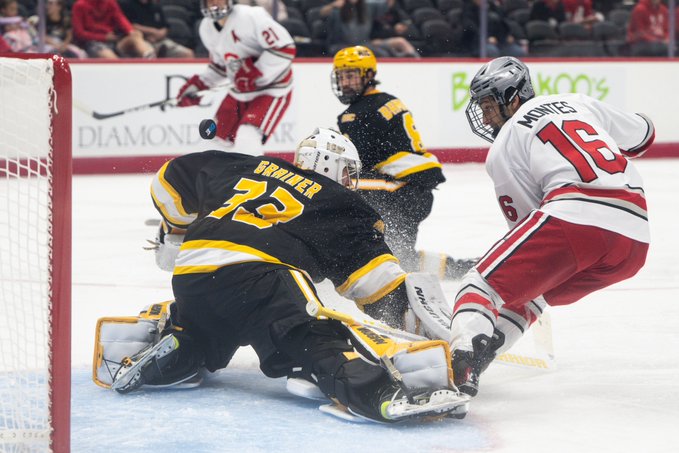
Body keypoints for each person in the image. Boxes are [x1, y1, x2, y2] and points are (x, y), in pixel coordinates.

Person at [97, 128, 469, 423]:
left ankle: (184, 347)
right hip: (258, 277)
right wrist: (433, 331)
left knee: (213, 329)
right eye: (348, 174)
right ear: (333, 167)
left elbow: (169, 178)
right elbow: (376, 285)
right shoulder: (338, 202)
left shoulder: (245, 165)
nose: (351, 183)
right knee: (314, 333)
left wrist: (176, 231)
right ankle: (375, 392)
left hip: (192, 274)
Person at [451, 57, 654, 397]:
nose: (485, 117)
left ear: (513, 97)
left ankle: (459, 363)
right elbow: (644, 136)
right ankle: (479, 357)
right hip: (634, 240)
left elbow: (529, 223)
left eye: (488, 106)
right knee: (532, 297)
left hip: (577, 219)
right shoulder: (578, 101)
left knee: (480, 286)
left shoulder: (502, 148)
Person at [331, 46, 472, 277]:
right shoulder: (388, 101)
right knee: (400, 258)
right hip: (414, 191)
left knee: (341, 185)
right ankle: (458, 267)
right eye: (342, 76)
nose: (345, 82)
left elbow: (356, 162)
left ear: (368, 75)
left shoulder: (356, 113)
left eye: (351, 75)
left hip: (401, 191)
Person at [175, 0, 295, 155]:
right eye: (210, 1)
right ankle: (216, 178)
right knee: (215, 140)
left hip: (272, 89)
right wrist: (199, 85)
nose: (215, 4)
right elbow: (221, 67)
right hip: (240, 91)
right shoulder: (206, 28)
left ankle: (253, 177)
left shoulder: (251, 16)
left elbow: (285, 48)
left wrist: (256, 73)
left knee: (248, 136)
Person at [320, 0, 419, 58]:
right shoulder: (337, 8)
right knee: (380, 53)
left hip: (364, 44)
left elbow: (387, 3)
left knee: (387, 50)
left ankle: (414, 61)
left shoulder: (367, 6)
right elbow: (322, 14)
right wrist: (332, 5)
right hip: (341, 46)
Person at [71, 0, 155, 58]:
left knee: (135, 38)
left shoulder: (110, 2)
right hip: (93, 43)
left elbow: (120, 18)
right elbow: (79, 33)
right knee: (109, 56)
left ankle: (150, 58)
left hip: (114, 41)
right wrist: (104, 37)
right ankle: (121, 73)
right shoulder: (80, 5)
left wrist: (131, 31)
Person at [121, 0, 194, 58]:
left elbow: (166, 27)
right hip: (140, 40)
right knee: (150, 53)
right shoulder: (127, 4)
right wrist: (153, 32)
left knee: (187, 54)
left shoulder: (155, 6)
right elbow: (130, 26)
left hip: (160, 40)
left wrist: (160, 34)